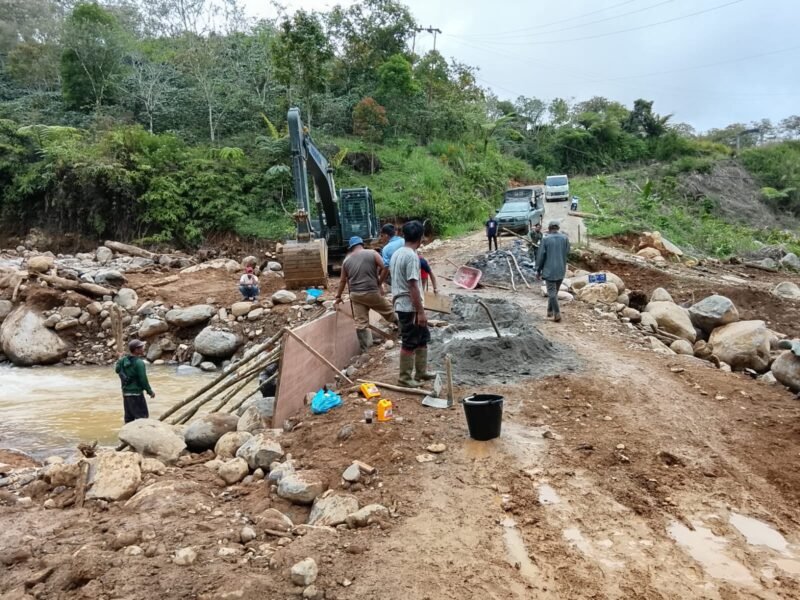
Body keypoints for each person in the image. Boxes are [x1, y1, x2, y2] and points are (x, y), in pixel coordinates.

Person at [336, 236, 398, 353]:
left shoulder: (346, 261)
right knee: (389, 311)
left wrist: (338, 297)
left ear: (351, 248)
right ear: (362, 244)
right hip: (371, 292)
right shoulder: (372, 253)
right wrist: (379, 282)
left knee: (361, 323)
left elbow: (343, 281)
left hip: (356, 296)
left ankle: (366, 351)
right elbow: (385, 267)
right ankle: (404, 331)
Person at [390, 220, 433, 387]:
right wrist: (420, 311)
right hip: (409, 307)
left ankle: (421, 371)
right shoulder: (412, 256)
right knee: (410, 340)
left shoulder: (397, 253)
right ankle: (405, 377)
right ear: (420, 238)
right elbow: (413, 285)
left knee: (422, 337)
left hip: (405, 304)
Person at [536, 220, 571, 322]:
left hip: (549, 270)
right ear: (558, 228)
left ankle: (557, 313)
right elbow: (567, 251)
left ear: (549, 228)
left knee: (551, 292)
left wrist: (538, 270)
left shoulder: (545, 240)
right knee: (554, 292)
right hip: (561, 269)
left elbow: (541, 256)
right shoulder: (565, 238)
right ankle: (549, 311)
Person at [115, 339, 155, 423]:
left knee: (129, 419)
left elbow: (117, 370)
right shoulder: (139, 363)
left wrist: (119, 358)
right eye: (141, 347)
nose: (143, 348)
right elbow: (143, 380)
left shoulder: (123, 360)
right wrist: (150, 391)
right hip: (137, 395)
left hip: (126, 394)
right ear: (136, 350)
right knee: (142, 418)